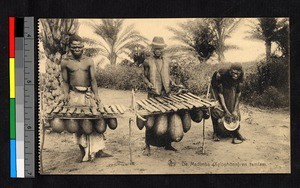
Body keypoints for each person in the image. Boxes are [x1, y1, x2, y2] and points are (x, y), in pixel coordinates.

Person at [61, 35, 112, 162]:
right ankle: (81, 151)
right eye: (74, 47)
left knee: (95, 121)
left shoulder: (89, 61)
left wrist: (96, 95)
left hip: (88, 95)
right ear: (70, 47)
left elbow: (93, 80)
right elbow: (65, 81)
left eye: (79, 46)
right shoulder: (65, 62)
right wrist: (66, 94)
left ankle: (99, 151)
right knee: (78, 124)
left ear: (83, 47)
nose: (77, 49)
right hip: (74, 96)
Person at [142, 36, 183, 156]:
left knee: (168, 118)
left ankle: (168, 144)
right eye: (156, 48)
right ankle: (147, 145)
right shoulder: (147, 61)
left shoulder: (168, 60)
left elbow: (168, 75)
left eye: (160, 48)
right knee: (150, 120)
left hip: (166, 93)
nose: (158, 50)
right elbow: (144, 76)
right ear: (152, 49)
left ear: (163, 49)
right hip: (154, 94)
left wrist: (172, 83)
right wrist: (149, 84)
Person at [210, 63, 246, 144]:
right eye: (233, 73)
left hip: (230, 88)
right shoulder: (221, 74)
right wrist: (225, 111)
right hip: (217, 89)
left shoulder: (242, 76)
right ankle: (215, 133)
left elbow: (238, 93)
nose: (235, 75)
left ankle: (236, 132)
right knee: (216, 110)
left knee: (235, 113)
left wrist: (235, 110)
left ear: (240, 72)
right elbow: (220, 94)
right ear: (229, 71)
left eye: (237, 73)